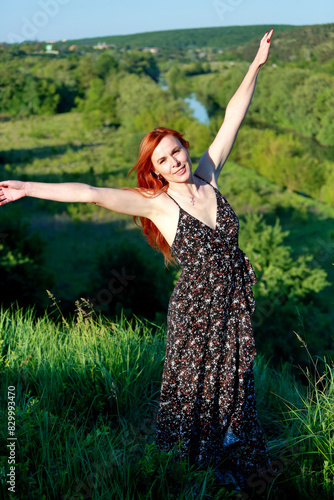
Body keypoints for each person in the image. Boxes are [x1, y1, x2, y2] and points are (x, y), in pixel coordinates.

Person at [0, 30, 276, 492]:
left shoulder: (209, 176)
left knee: (235, 378)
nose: (175, 162)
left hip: (234, 304)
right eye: (163, 159)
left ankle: (231, 452)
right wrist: (29, 187)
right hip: (196, 313)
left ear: (187, 149)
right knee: (195, 391)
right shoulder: (159, 205)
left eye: (177, 150)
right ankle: (188, 469)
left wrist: (255, 65)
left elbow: (232, 117)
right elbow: (90, 194)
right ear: (156, 170)